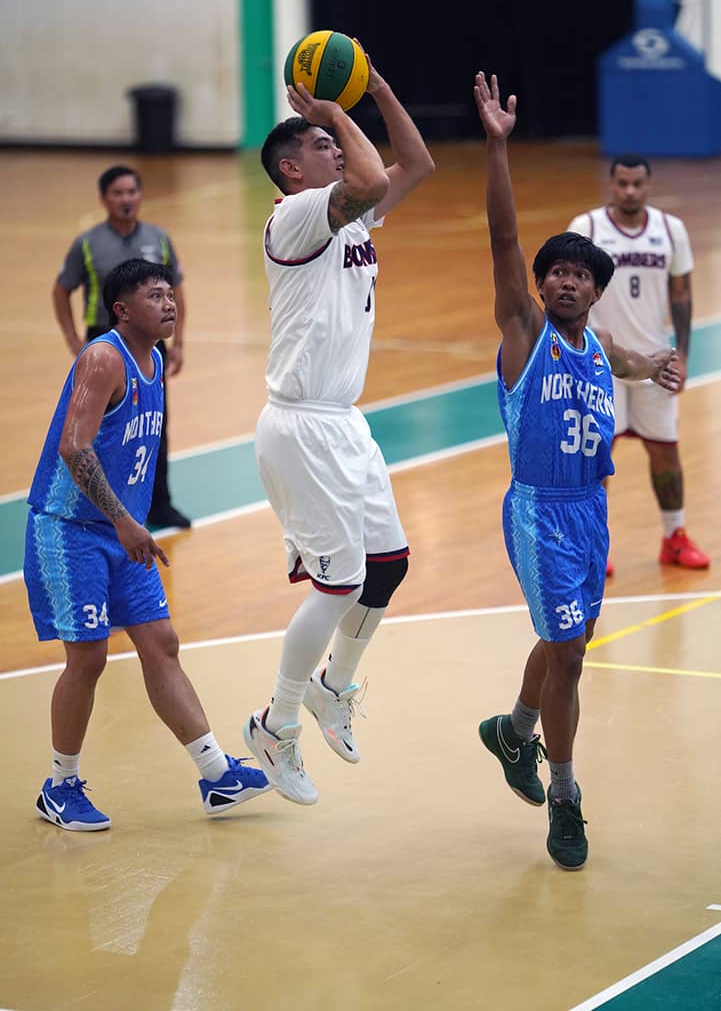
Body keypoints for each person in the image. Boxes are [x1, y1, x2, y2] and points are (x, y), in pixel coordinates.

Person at [473, 73, 681, 869]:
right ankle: (563, 795)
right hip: (537, 507)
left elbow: (622, 358)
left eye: (579, 274)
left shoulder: (596, 345)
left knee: (570, 640)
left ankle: (513, 730)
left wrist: (652, 365)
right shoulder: (526, 335)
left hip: (590, 508)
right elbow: (502, 238)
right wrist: (496, 146)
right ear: (540, 285)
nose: (565, 279)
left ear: (595, 289)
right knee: (566, 653)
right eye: (555, 271)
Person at [242, 48, 435, 805]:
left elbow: (414, 164)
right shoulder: (296, 216)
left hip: (343, 423)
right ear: (292, 169)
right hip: (299, 425)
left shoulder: (349, 212)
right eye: (323, 143)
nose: (338, 146)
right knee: (339, 584)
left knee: (387, 567)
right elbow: (372, 180)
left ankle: (333, 687)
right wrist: (329, 111)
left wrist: (377, 86)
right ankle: (277, 723)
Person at [25, 259, 271, 831]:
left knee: (162, 642)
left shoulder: (154, 361)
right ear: (122, 310)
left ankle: (216, 775)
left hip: (123, 531)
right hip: (71, 529)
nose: (169, 303)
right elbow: (74, 447)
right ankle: (59, 786)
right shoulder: (103, 358)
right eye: (154, 295)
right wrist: (123, 520)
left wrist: (130, 521)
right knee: (88, 657)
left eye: (170, 294)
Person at [568, 155, 709, 575]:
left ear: (648, 186)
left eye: (637, 184)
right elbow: (568, 291)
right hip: (599, 364)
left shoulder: (671, 229)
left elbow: (681, 294)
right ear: (611, 185)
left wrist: (683, 355)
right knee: (596, 459)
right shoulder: (587, 228)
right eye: (622, 183)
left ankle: (675, 536)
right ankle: (592, 545)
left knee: (666, 452)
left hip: (655, 363)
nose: (630, 191)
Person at [51, 165, 191, 530]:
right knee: (104, 430)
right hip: (107, 338)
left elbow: (176, 291)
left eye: (132, 192)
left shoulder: (158, 238)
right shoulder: (87, 243)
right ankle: (99, 507)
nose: (126, 199)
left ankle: (158, 504)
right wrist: (72, 339)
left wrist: (178, 343)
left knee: (152, 425)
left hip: (149, 343)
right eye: (118, 193)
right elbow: (61, 290)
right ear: (104, 199)